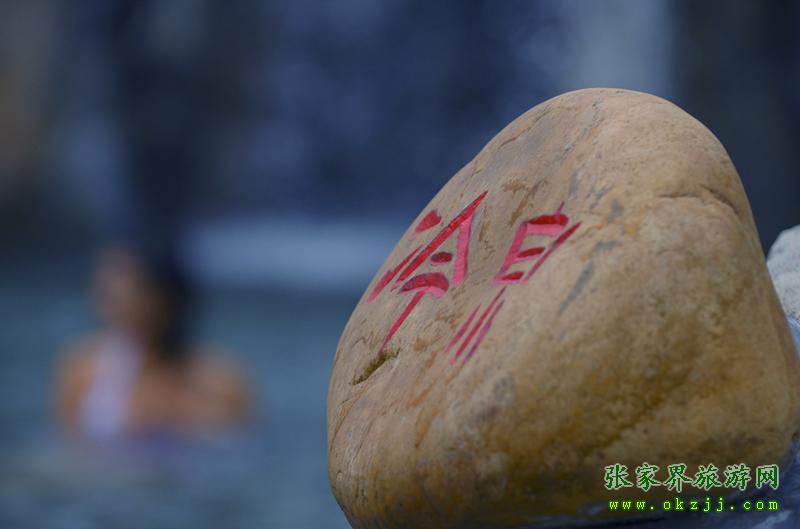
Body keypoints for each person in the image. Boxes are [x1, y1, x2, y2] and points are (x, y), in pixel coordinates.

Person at [56, 243, 250, 444]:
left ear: (165, 297)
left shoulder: (220, 383)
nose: (117, 295)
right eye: (110, 286)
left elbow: (239, 451)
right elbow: (68, 447)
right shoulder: (83, 370)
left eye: (132, 286)